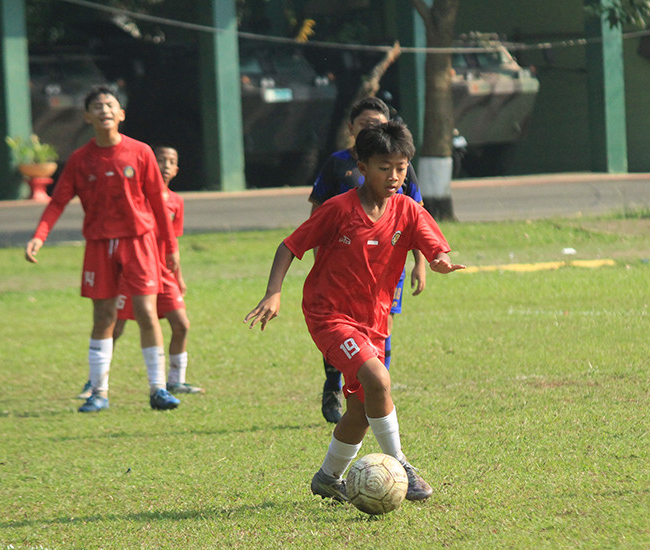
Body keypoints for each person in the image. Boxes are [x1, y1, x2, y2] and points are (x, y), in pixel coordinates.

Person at [245, 121, 465, 502]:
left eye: (401, 168)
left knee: (363, 410)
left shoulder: (408, 211)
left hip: (374, 321)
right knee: (378, 379)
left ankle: (329, 477)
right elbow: (290, 246)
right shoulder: (338, 209)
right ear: (361, 166)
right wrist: (273, 293)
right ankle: (402, 466)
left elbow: (434, 245)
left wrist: (440, 261)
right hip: (328, 314)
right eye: (384, 167)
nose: (394, 176)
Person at [25, 85, 181, 412]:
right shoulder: (81, 160)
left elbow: (156, 201)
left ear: (121, 114)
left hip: (139, 242)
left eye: (110, 105)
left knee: (147, 312)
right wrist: (40, 235)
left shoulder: (140, 153)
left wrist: (169, 247)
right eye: (97, 106)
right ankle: (99, 392)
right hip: (99, 246)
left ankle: (158, 389)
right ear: (87, 116)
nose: (104, 110)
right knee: (104, 316)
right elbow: (58, 201)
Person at [308, 96, 426, 424]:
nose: (371, 128)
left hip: (387, 264)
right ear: (352, 128)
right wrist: (321, 258)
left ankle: (376, 390)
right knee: (341, 328)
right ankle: (334, 384)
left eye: (377, 123)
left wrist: (420, 261)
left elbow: (417, 216)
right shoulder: (337, 164)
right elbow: (317, 214)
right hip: (343, 265)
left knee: (380, 326)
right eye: (364, 124)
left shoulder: (400, 164)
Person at [78, 144, 203, 397]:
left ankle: (176, 380)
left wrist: (178, 276)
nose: (165, 165)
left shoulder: (176, 202)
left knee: (181, 325)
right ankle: (94, 382)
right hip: (133, 271)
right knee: (114, 325)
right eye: (160, 160)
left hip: (163, 273)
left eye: (170, 161)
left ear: (176, 169)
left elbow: (172, 242)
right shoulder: (137, 198)